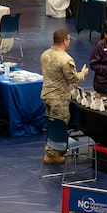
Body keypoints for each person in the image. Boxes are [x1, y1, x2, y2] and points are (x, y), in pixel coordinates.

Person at [40, 29, 88, 163]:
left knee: (51, 123)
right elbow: (73, 78)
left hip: (46, 94)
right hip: (58, 97)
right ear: (65, 41)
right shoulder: (65, 59)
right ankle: (52, 154)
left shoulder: (45, 54)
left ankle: (51, 150)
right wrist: (83, 73)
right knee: (60, 124)